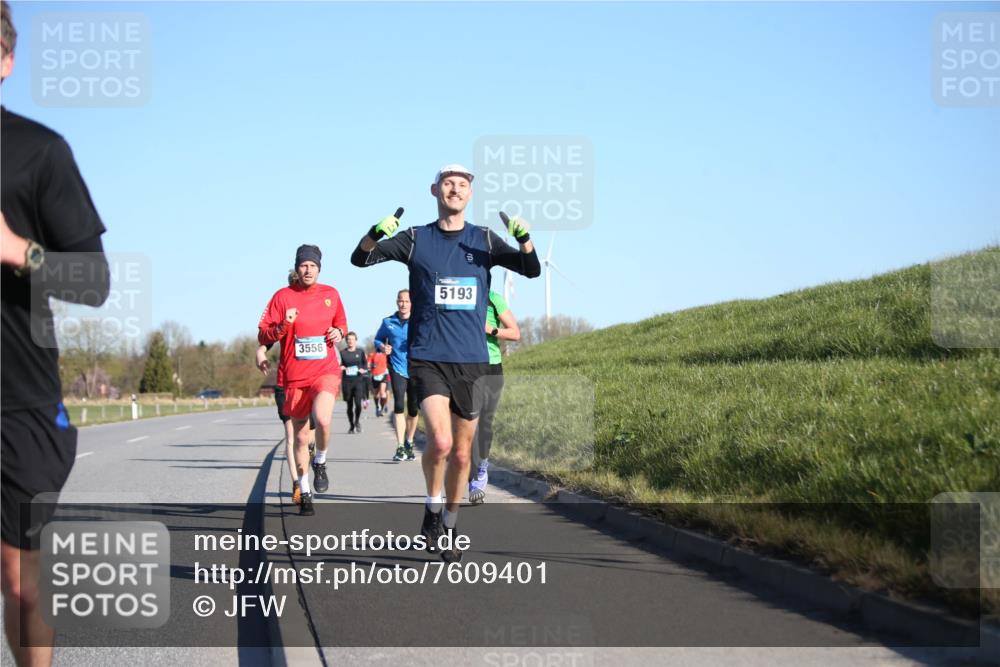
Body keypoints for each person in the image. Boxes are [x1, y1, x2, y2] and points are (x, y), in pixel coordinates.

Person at [351, 164, 540, 562]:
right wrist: (375, 234)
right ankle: (432, 507)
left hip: (472, 362)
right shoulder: (416, 239)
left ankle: (449, 524)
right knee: (439, 441)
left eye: (463, 185)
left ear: (470, 194)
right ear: (434, 190)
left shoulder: (484, 239)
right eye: (448, 184)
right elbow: (359, 260)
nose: (455, 190)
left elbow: (532, 269)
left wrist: (524, 241)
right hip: (428, 357)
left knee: (461, 454)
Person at [1, 2, 111, 663]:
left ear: (6, 60)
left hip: (17, 402)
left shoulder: (40, 152)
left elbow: (93, 280)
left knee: (18, 583)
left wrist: (20, 251)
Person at [259, 245, 347, 516]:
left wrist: (337, 333)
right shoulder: (282, 297)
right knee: (299, 438)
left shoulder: (331, 294)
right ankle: (305, 490)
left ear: (319, 268)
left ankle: (319, 460)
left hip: (325, 371)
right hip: (294, 377)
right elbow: (264, 336)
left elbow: (342, 325)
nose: (308, 270)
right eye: (303, 265)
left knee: (322, 419)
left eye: (312, 266)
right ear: (296, 268)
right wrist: (284, 325)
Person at [254, 268, 316, 505]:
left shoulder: (314, 309)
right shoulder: (281, 311)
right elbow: (265, 341)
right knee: (292, 436)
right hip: (287, 380)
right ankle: (299, 484)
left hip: (312, 379)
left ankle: (313, 458)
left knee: (309, 436)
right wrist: (260, 354)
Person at [469, 289, 519, 504]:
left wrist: (491, 329)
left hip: (491, 367)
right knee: (468, 423)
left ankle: (481, 470)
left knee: (485, 423)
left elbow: (515, 333)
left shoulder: (493, 298)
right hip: (465, 366)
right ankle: (472, 474)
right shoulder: (459, 295)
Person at [373, 290, 419, 461]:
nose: (403, 304)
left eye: (406, 301)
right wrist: (382, 347)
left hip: (416, 368)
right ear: (396, 302)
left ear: (411, 303)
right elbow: (378, 339)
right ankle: (400, 446)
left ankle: (409, 441)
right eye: (400, 301)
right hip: (397, 367)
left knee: (413, 409)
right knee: (399, 405)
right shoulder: (388, 322)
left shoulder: (418, 320)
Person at [339, 332, 368, 434]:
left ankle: (357, 421)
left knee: (358, 405)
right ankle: (351, 425)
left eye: (352, 339)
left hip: (358, 381)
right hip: (347, 382)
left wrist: (363, 370)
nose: (350, 341)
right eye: (348, 339)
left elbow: (365, 365)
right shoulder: (342, 353)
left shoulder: (360, 352)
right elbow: (339, 365)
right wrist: (341, 367)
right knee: (349, 406)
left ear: (356, 340)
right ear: (346, 341)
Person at [367, 346, 389, 417]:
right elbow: (368, 364)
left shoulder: (386, 355)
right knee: (376, 394)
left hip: (384, 374)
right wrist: (370, 366)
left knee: (383, 393)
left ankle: (381, 409)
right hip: (375, 375)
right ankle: (377, 407)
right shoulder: (372, 355)